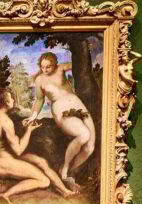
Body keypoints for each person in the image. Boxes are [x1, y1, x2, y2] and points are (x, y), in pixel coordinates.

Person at [0, 87, 75, 203]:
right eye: (12, 99)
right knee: (44, 181)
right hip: (2, 164)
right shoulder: (5, 121)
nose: (14, 101)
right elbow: (19, 150)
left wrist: (21, 126)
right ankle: (6, 194)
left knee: (40, 161)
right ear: (6, 103)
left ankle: (65, 191)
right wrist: (29, 130)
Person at [23, 52, 96, 187]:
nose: (44, 70)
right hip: (61, 109)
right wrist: (33, 116)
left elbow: (80, 64)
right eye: (42, 67)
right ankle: (65, 168)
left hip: (77, 104)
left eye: (48, 67)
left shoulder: (62, 68)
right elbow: (39, 100)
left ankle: (71, 171)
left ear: (55, 64)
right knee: (83, 135)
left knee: (90, 147)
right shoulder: (40, 80)